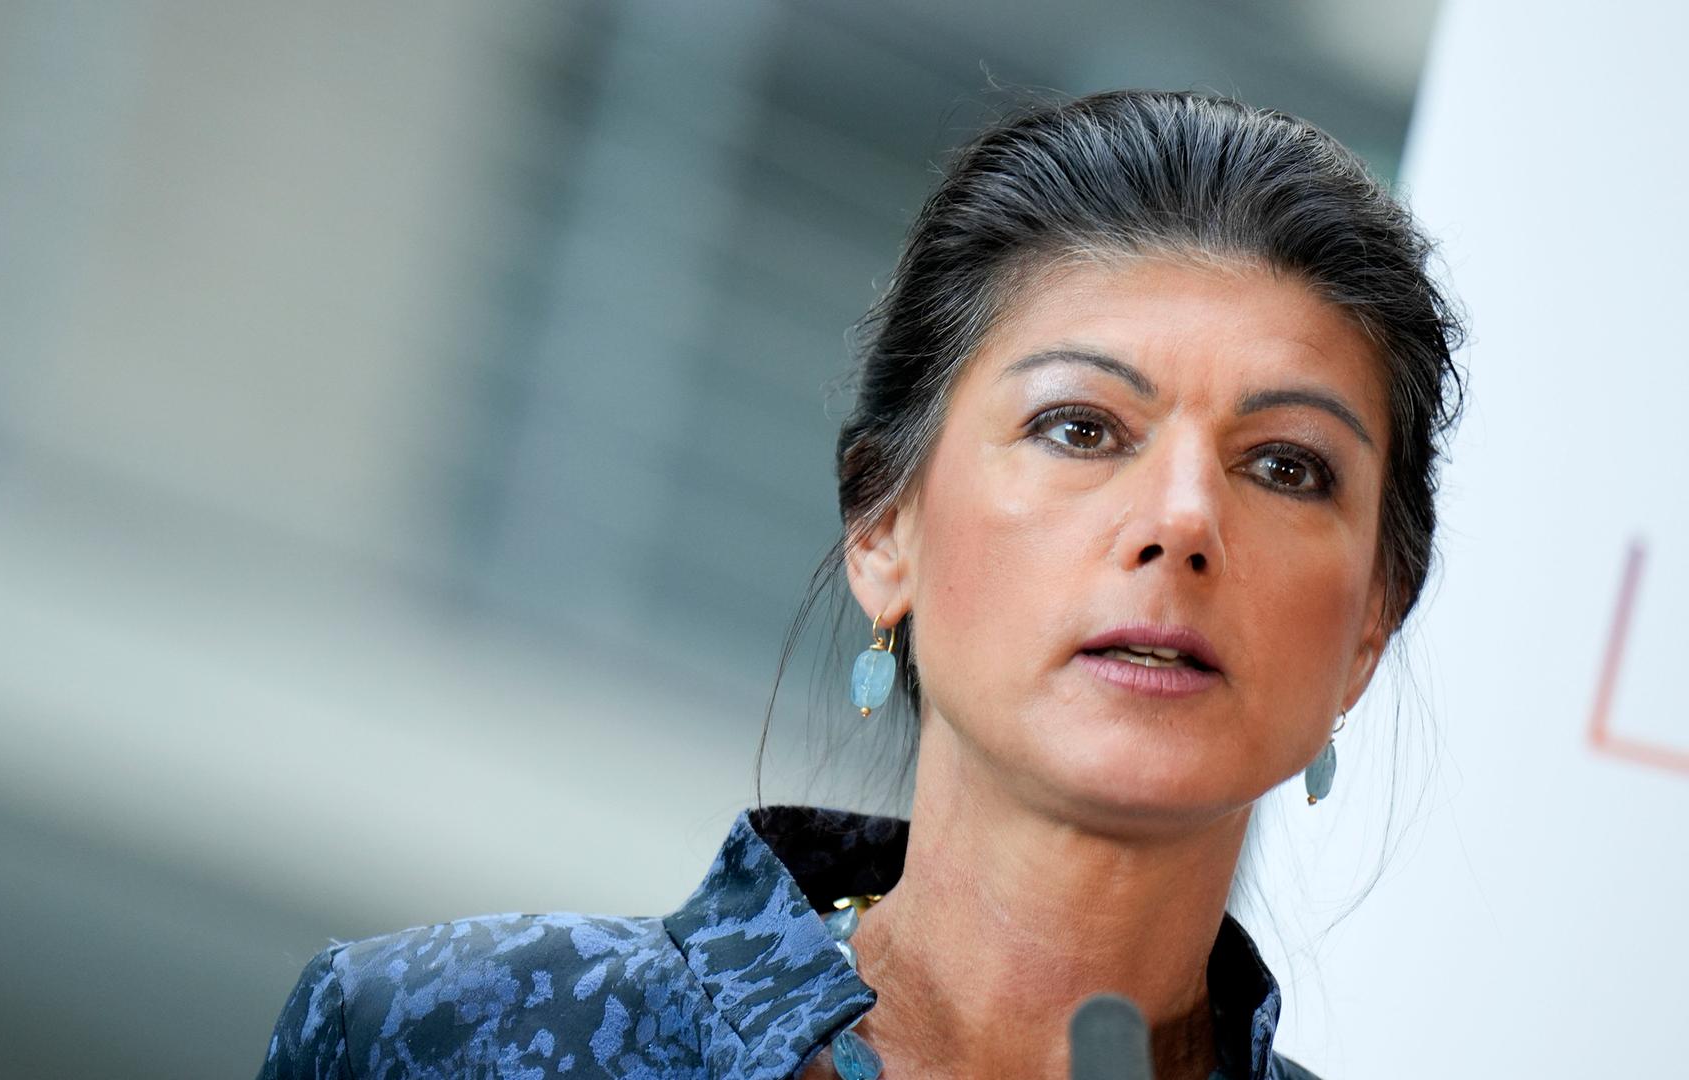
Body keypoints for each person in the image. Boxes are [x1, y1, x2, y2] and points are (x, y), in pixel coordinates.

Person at [253, 88, 1465, 1080]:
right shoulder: (438, 1039)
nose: (1184, 520)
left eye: (1287, 466)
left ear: (1371, 621)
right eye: (1082, 428)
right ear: (885, 528)